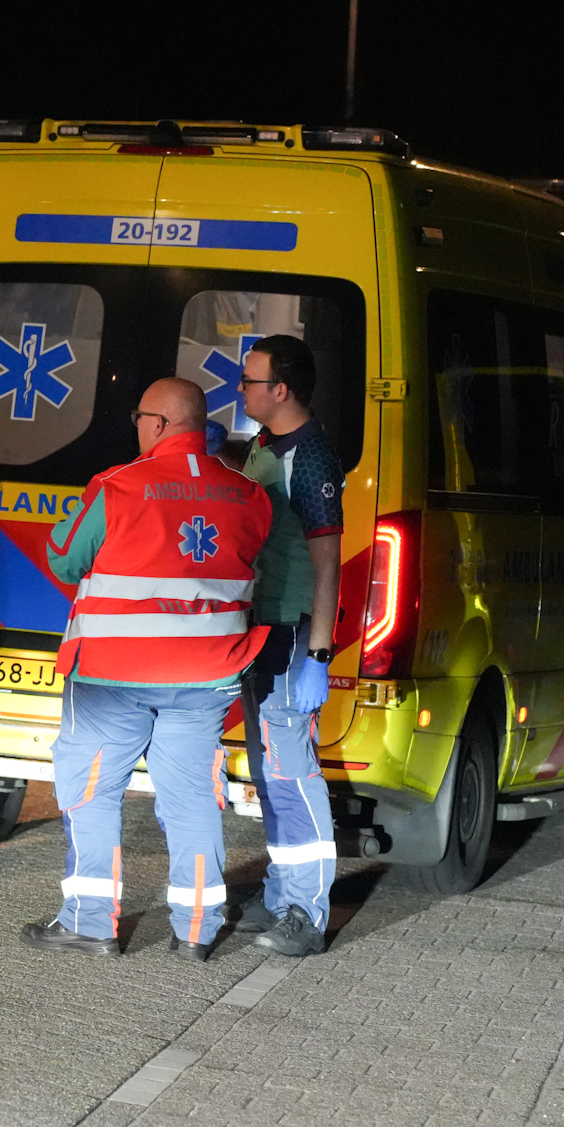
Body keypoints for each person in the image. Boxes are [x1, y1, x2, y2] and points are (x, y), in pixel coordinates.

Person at [21, 378, 272, 960]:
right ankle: (198, 929)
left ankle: (90, 922)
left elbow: (65, 559)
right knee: (190, 800)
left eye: (139, 416)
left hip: (114, 675)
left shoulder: (117, 486)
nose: (135, 425)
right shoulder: (249, 495)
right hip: (208, 676)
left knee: (92, 794)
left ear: (158, 424)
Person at [229, 334, 344, 956]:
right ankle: (279, 894)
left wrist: (319, 657)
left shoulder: (313, 457)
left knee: (293, 771)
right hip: (261, 626)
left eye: (249, 381)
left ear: (281, 389)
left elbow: (329, 565)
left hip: (294, 631)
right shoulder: (265, 445)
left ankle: (308, 911)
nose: (240, 391)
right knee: (269, 771)